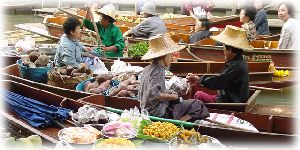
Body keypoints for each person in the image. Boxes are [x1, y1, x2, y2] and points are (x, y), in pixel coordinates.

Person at [139, 33, 209, 121]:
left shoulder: (147, 68)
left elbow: (153, 92)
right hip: (158, 114)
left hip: (148, 111)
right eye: (170, 55)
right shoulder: (158, 70)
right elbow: (153, 94)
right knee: (197, 105)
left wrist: (170, 92)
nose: (172, 58)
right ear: (165, 56)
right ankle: (176, 124)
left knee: (184, 102)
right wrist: (173, 97)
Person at [186, 25, 252, 103]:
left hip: (231, 101)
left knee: (199, 95)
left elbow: (218, 81)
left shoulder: (236, 66)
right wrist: (199, 79)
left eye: (223, 47)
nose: (223, 50)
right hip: (229, 96)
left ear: (230, 49)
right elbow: (221, 78)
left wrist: (198, 79)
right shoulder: (238, 61)